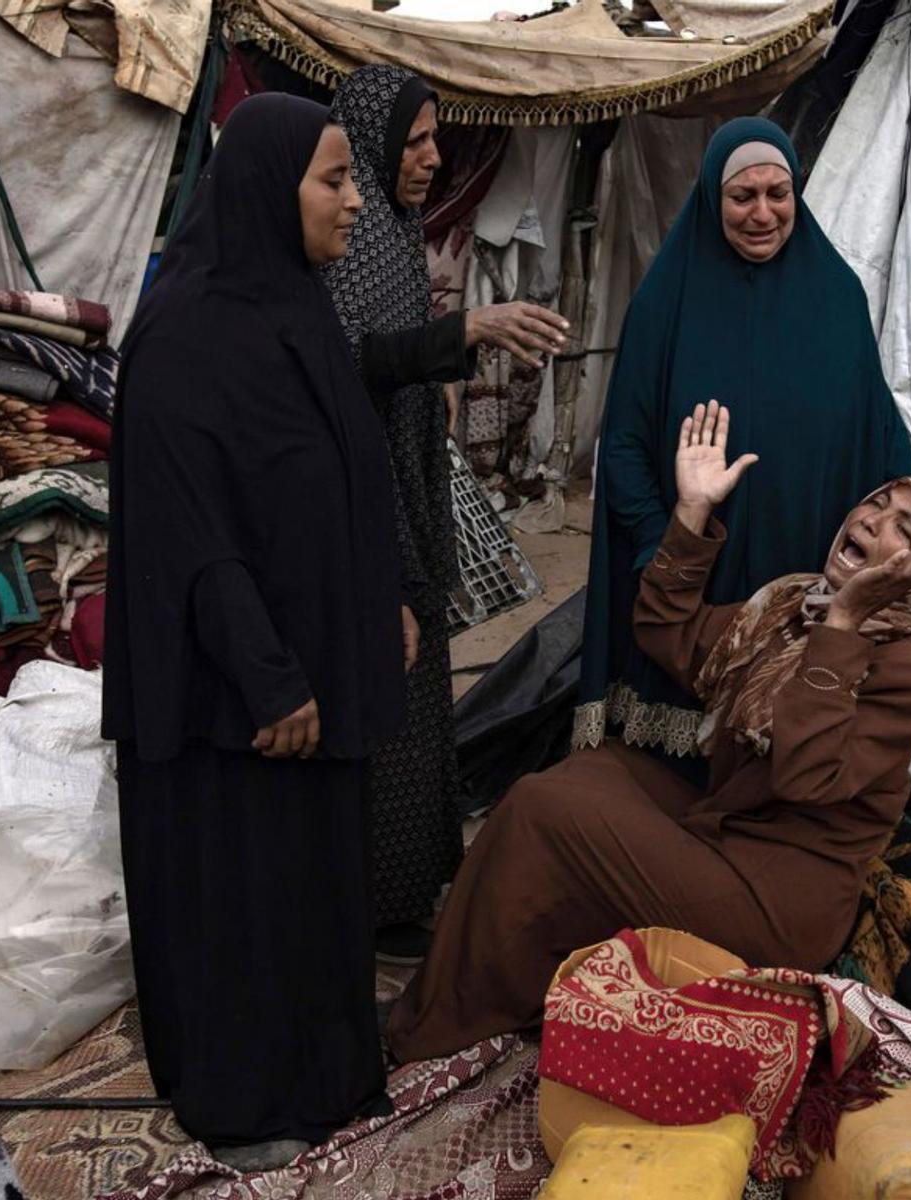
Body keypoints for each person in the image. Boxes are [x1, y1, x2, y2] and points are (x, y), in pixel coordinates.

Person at [388, 401, 911, 1062]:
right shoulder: (790, 606)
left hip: (778, 900)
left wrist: (841, 631)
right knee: (593, 767)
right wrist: (693, 514)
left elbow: (806, 776)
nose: (870, 520)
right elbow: (669, 635)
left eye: (903, 526)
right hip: (727, 830)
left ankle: (428, 1031)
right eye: (876, 503)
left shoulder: (907, 673)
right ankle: (501, 986)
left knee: (544, 811)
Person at [103, 95, 415, 1170]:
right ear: (263, 190)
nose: (354, 200)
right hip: (236, 700)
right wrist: (270, 678)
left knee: (308, 887)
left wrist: (385, 605)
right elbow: (195, 535)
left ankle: (322, 1078)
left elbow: (340, 476)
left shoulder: (294, 310)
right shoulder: (188, 335)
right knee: (238, 894)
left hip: (304, 673)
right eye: (333, 180)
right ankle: (245, 1102)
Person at [576, 117, 911, 769]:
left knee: (787, 746)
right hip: (701, 580)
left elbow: (879, 431)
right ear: (713, 198)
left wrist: (909, 530)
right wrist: (664, 549)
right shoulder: (665, 304)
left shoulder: (838, 298)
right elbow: (622, 445)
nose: (763, 213)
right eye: (743, 197)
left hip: (810, 566)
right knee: (678, 779)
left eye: (778, 194)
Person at [324, 64, 569, 963]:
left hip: (410, 472)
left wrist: (442, 385)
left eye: (435, 138)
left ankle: (415, 879)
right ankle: (377, 900)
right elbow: (354, 360)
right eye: (416, 139)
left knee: (423, 680)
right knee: (390, 678)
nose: (432, 157)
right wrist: (460, 336)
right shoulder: (342, 242)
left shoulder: (390, 226)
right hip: (366, 489)